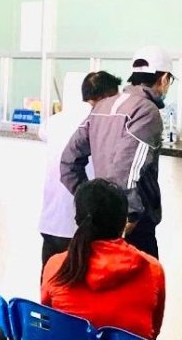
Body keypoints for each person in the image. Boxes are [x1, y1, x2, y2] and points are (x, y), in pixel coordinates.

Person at [41, 179, 165, 340]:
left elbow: (48, 332)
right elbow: (152, 335)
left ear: (77, 219)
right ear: (123, 222)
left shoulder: (57, 265)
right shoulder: (152, 269)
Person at [60, 46, 173, 258]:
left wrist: (92, 202)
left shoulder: (103, 105)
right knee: (141, 286)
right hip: (131, 226)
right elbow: (127, 170)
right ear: (164, 79)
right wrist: (129, 216)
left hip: (101, 221)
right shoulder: (146, 111)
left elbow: (68, 162)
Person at [38, 71, 121, 269]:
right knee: (77, 293)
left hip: (50, 223)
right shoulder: (104, 121)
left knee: (50, 290)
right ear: (108, 96)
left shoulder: (55, 120)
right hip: (83, 227)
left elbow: (42, 133)